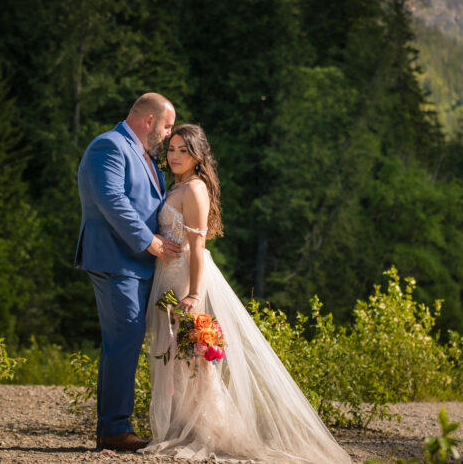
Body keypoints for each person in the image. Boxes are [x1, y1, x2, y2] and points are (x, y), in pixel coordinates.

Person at [142, 124, 350, 463]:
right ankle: (183, 423)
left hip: (184, 279)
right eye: (172, 149)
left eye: (183, 150)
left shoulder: (195, 190)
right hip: (166, 276)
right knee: (174, 355)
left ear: (198, 156)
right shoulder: (176, 186)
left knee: (191, 354)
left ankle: (207, 428)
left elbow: (197, 246)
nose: (175, 156)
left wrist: (194, 293)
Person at [75, 93, 180, 452]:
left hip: (135, 264)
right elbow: (112, 200)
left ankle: (115, 425)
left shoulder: (143, 155)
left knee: (128, 342)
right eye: (167, 126)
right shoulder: (109, 146)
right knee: (124, 342)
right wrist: (149, 242)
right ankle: (114, 430)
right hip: (115, 260)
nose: (168, 135)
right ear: (149, 120)